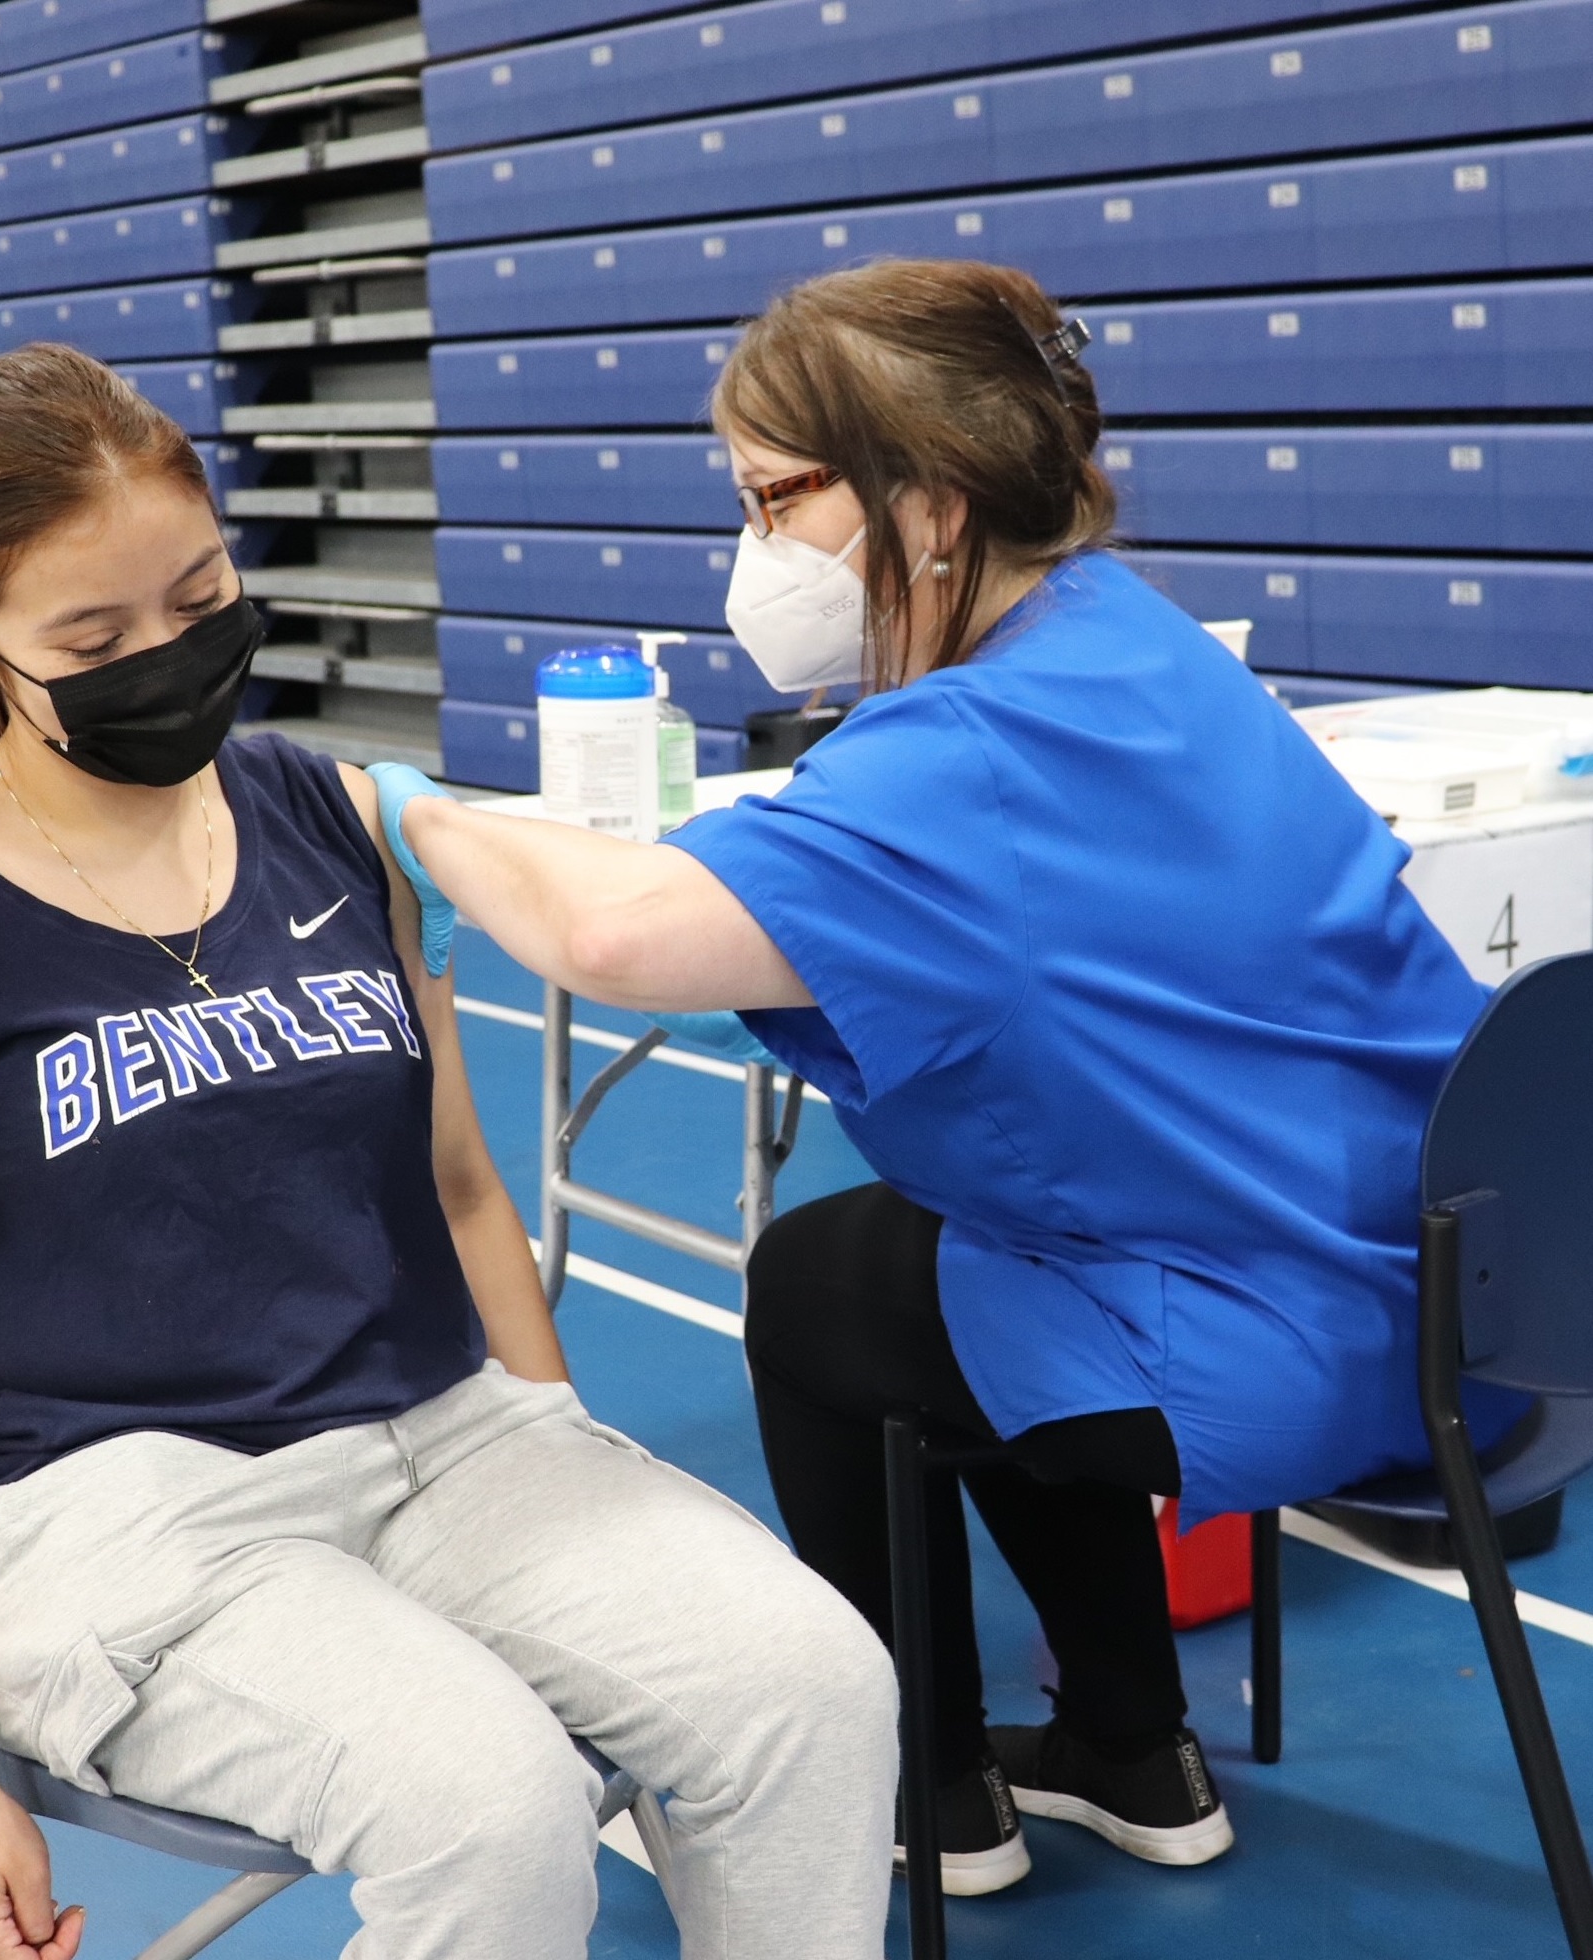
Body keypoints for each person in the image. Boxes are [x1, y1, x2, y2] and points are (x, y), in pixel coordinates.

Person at [362, 259, 1518, 1900]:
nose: (756, 553)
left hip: (1289, 1349)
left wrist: (415, 812)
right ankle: (1134, 1745)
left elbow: (614, 936)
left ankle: (925, 1786)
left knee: (824, 1286)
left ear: (933, 503)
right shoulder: (1135, 636)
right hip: (1460, 1300)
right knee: (969, 1241)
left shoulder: (955, 758)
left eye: (776, 501)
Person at [0, 342, 898, 1960]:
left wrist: (559, 1450)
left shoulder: (324, 814)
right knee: (488, 1808)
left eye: (198, 593)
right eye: (92, 636)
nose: (166, 652)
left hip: (445, 1438)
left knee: (818, 1685)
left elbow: (464, 1188)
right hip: (131, 1513)